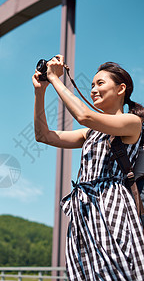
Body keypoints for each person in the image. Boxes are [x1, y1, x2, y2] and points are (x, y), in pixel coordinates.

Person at [32, 55, 144, 280]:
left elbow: (83, 116)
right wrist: (40, 91)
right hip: (83, 211)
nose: (93, 89)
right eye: (92, 85)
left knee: (117, 273)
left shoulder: (133, 123)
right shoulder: (90, 133)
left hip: (112, 208)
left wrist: (54, 79)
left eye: (100, 83)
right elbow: (42, 135)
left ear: (121, 89)